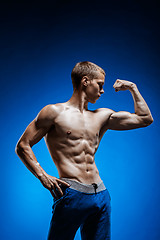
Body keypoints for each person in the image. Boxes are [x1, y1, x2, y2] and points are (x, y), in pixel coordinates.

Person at [15, 61, 153, 240]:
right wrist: (43, 175)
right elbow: (23, 145)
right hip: (72, 193)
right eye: (100, 85)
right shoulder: (54, 112)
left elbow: (145, 119)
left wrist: (133, 88)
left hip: (101, 195)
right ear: (85, 81)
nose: (102, 91)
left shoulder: (102, 116)